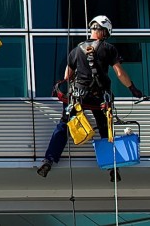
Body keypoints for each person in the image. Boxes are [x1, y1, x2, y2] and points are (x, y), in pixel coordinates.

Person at [37, 15, 144, 182]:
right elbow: (119, 73)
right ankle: (112, 167)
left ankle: (48, 160)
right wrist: (133, 88)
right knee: (105, 129)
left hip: (78, 96)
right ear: (105, 31)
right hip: (99, 96)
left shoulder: (76, 50)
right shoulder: (108, 48)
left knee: (64, 126)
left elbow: (67, 76)